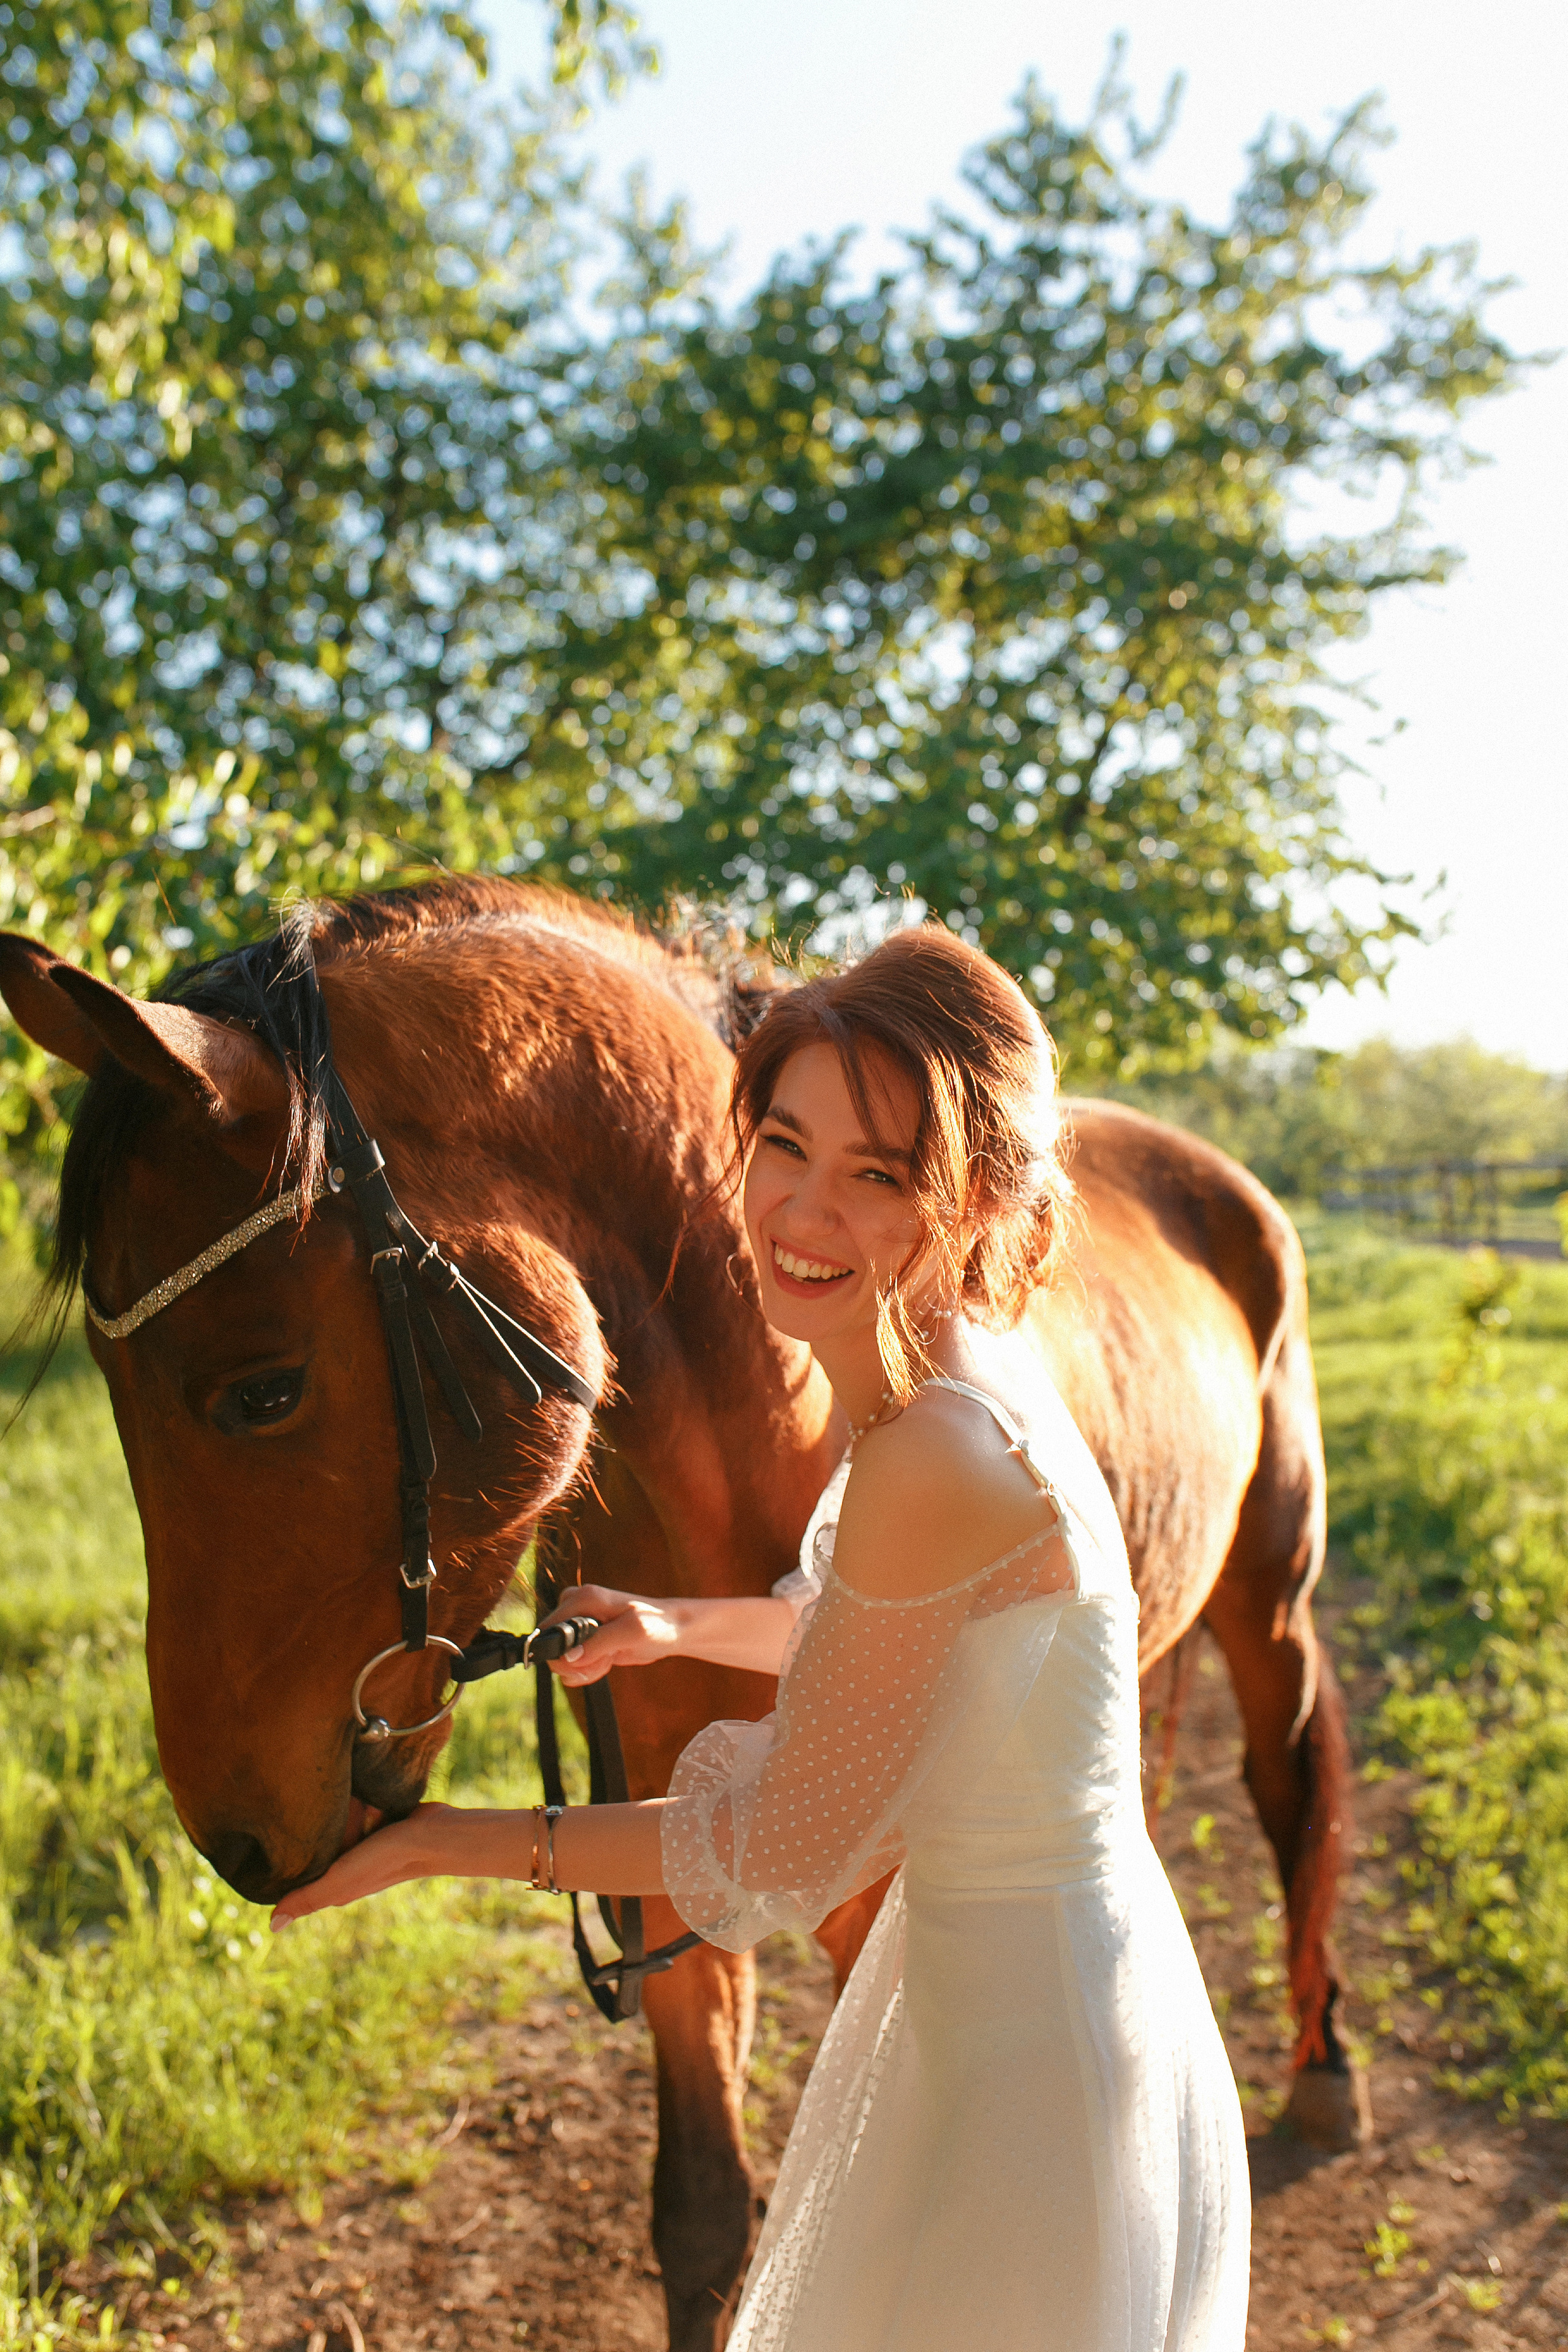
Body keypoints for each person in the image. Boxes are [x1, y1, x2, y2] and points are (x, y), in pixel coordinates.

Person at [274, 924, 1251, 2350]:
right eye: (782, 1144)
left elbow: (777, 1852)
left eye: (878, 1175)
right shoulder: (968, 1364)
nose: (800, 1209)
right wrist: (673, 1625)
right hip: (1055, 1993)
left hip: (1024, 2070)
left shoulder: (927, 1446)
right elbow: (901, 1626)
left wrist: (440, 1841)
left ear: (976, 1196)